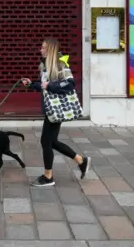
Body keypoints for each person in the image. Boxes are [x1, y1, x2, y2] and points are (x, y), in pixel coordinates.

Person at [21, 38, 90, 187]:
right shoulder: (45, 65)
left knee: (46, 142)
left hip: (57, 108)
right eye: (41, 47)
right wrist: (32, 84)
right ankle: (81, 160)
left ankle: (48, 177)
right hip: (51, 108)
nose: (41, 50)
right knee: (52, 142)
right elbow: (45, 86)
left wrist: (50, 85)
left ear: (51, 50)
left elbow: (70, 83)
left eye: (44, 48)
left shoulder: (60, 63)